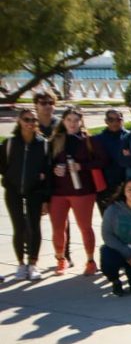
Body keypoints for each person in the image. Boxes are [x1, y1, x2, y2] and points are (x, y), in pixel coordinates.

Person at [49, 107, 105, 276]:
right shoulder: (56, 140)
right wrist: (54, 169)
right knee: (58, 228)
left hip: (83, 191)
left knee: (85, 227)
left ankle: (90, 260)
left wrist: (82, 166)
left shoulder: (88, 140)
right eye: (69, 120)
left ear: (81, 122)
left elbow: (103, 161)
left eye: (75, 120)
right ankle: (60, 258)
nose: (72, 124)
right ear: (63, 121)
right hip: (59, 192)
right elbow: (46, 163)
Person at [2, 107, 53, 281]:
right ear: (19, 121)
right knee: (18, 227)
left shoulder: (43, 144)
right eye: (26, 119)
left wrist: (46, 197)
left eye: (33, 120)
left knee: (34, 226)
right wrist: (8, 181)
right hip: (14, 191)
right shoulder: (10, 143)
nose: (30, 123)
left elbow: (48, 172)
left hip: (35, 191)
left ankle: (33, 263)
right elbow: (3, 167)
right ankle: (21, 264)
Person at [93, 109, 128, 214]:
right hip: (105, 186)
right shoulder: (97, 140)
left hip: (126, 185)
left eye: (118, 119)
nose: (114, 123)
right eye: (111, 120)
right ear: (106, 121)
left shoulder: (129, 137)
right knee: (108, 218)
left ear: (122, 120)